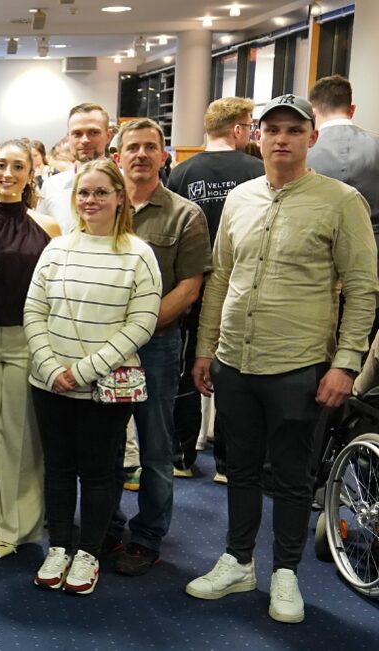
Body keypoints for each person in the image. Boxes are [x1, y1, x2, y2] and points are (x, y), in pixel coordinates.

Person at [187, 94, 377, 624]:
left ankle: (285, 572)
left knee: (292, 476)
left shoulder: (342, 202)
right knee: (240, 467)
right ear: (257, 136)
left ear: (311, 138)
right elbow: (220, 277)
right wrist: (205, 348)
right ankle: (239, 560)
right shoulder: (240, 199)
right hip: (234, 361)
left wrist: (346, 363)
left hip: (299, 363)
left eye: (294, 130)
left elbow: (363, 289)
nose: (282, 139)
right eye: (272, 130)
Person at [25, 159, 162, 596]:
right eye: (84, 193)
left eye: (102, 192)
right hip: (50, 382)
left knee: (101, 473)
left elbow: (141, 324)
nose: (91, 200)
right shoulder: (57, 248)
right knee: (59, 469)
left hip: (105, 387)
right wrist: (50, 366)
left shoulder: (139, 254)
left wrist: (83, 371)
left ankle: (88, 552)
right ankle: (60, 546)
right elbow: (34, 310)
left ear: (120, 197)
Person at [103, 119, 210, 576]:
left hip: (157, 348)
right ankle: (105, 525)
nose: (142, 155)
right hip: (103, 348)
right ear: (117, 157)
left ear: (165, 156)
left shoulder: (186, 215)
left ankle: (147, 536)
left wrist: (136, 329)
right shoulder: (100, 206)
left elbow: (190, 287)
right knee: (103, 442)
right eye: (133, 147)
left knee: (155, 446)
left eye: (151, 147)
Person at [0, 138, 61, 559]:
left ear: (30, 174)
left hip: (28, 341)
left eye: (17, 166)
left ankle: (18, 528)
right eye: (0, 164)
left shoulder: (50, 228)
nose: (7, 173)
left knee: (23, 437)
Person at [165, 96, 264, 482]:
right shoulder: (259, 170)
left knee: (188, 370)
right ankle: (227, 463)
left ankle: (180, 456)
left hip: (192, 286)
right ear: (239, 129)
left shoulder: (183, 172)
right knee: (235, 376)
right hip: (243, 290)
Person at [308, 75, 379, 236]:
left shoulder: (303, 149)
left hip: (317, 240)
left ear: (312, 112)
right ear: (352, 109)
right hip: (372, 242)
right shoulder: (376, 145)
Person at [39, 103, 114, 232]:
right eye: (77, 134)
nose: (85, 140)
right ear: (68, 138)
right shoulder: (51, 186)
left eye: (93, 132)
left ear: (108, 136)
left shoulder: (125, 184)